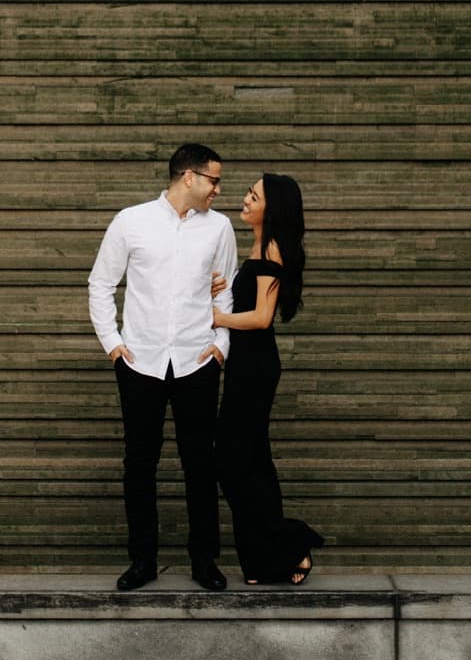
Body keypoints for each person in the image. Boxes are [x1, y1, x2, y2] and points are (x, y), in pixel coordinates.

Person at [88, 143, 238, 592]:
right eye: (214, 180)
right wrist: (114, 344)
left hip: (197, 360)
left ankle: (204, 561)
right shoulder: (130, 221)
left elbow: (223, 291)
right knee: (139, 463)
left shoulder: (220, 228)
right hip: (141, 362)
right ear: (188, 177)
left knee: (200, 464)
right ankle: (143, 561)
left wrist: (222, 345)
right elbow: (101, 284)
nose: (218, 189)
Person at [211, 173, 323, 585]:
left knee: (232, 462)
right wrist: (224, 288)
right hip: (247, 363)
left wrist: (217, 317)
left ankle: (291, 544)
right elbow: (252, 299)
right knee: (253, 462)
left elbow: (260, 317)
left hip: (255, 366)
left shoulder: (272, 248)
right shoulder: (260, 246)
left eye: (252, 196)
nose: (244, 199)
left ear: (270, 208)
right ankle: (265, 560)